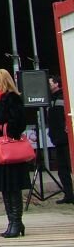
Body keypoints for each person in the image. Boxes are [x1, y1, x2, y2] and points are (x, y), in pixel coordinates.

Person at [0, 68, 31, 238]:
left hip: (9, 148)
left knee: (13, 187)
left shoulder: (12, 98)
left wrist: (2, 128)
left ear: (1, 81)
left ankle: (16, 222)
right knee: (5, 188)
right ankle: (12, 221)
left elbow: (19, 122)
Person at [49, 74, 73, 204]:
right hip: (57, 138)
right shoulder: (50, 99)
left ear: (57, 83)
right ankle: (69, 195)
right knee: (62, 169)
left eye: (50, 83)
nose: (48, 85)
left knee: (68, 166)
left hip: (65, 138)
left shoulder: (64, 97)